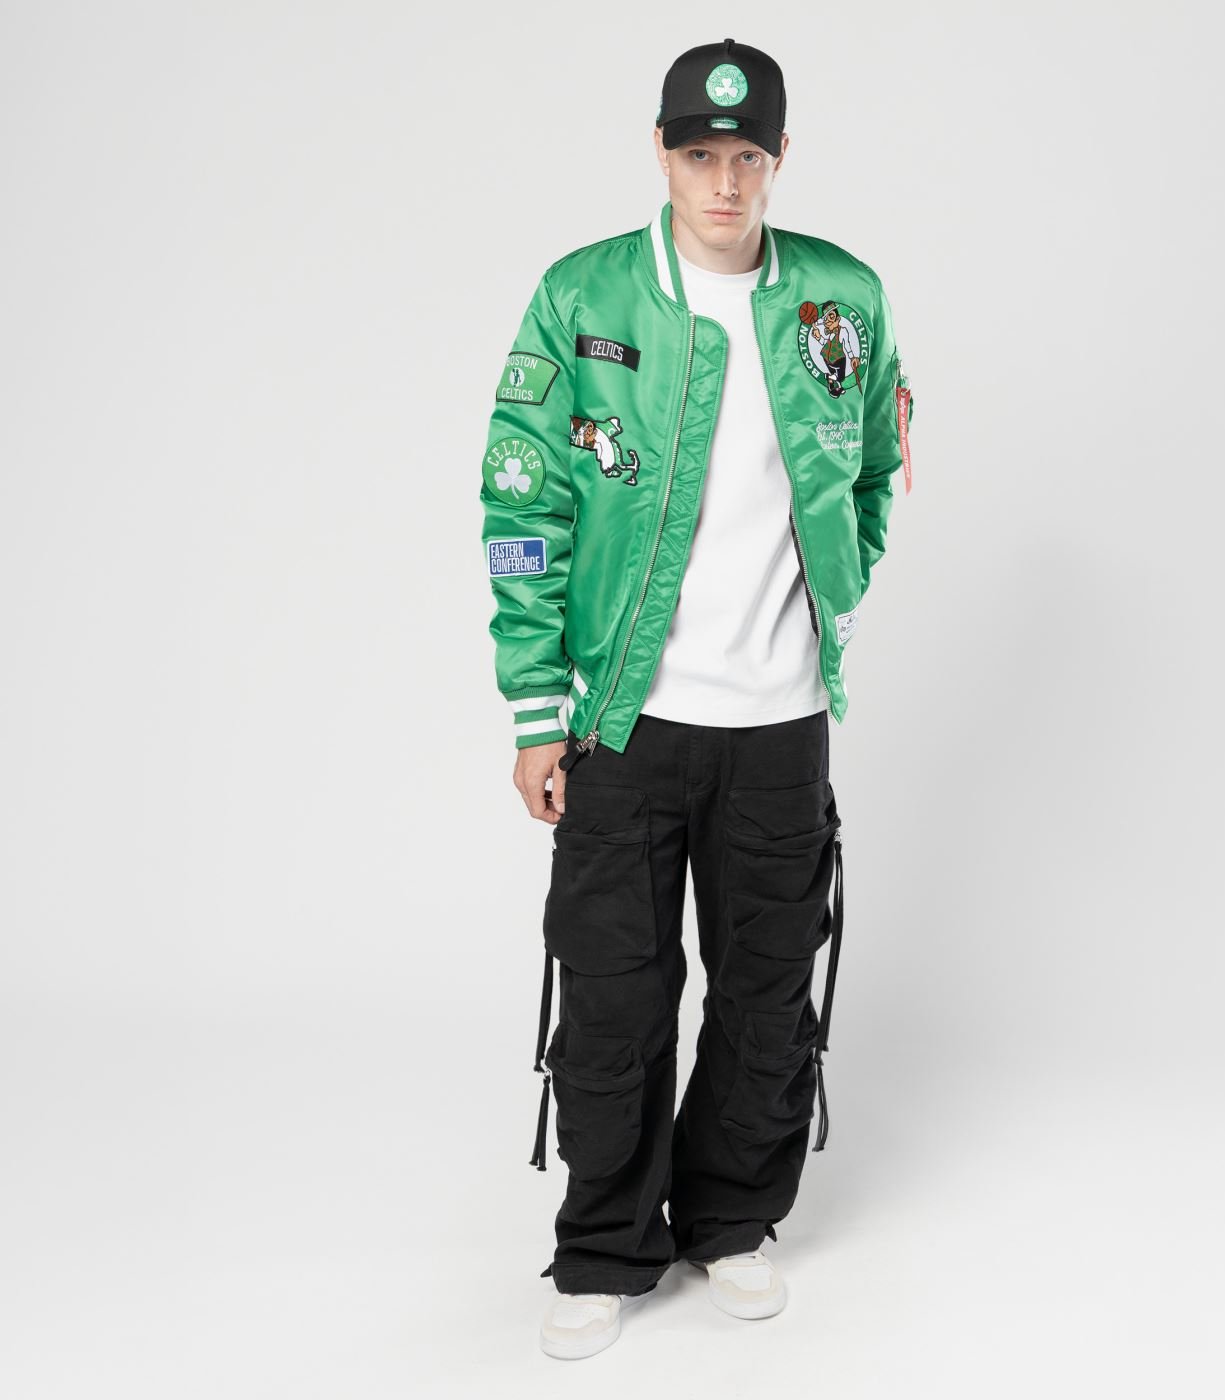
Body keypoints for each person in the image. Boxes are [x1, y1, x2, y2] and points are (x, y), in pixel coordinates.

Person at [477, 36, 915, 1360]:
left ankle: (730, 1220)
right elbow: (522, 500)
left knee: (767, 993)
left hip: (781, 724)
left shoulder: (842, 297)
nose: (724, 182)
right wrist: (535, 708)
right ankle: (606, 1244)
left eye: (747, 156)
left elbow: (877, 468)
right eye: (699, 154)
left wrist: (839, 586)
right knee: (613, 996)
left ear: (780, 160)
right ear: (661, 153)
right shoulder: (583, 295)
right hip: (626, 721)